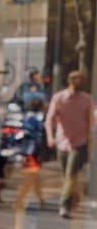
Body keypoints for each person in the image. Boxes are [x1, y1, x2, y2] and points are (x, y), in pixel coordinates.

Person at [46, 71, 94, 219]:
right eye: (77, 80)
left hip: (79, 142)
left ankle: (64, 206)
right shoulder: (59, 98)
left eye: (82, 80)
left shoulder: (87, 99)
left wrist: (91, 138)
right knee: (66, 176)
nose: (80, 83)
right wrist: (50, 137)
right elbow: (50, 119)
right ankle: (74, 196)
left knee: (70, 174)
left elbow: (92, 120)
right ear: (70, 81)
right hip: (62, 142)